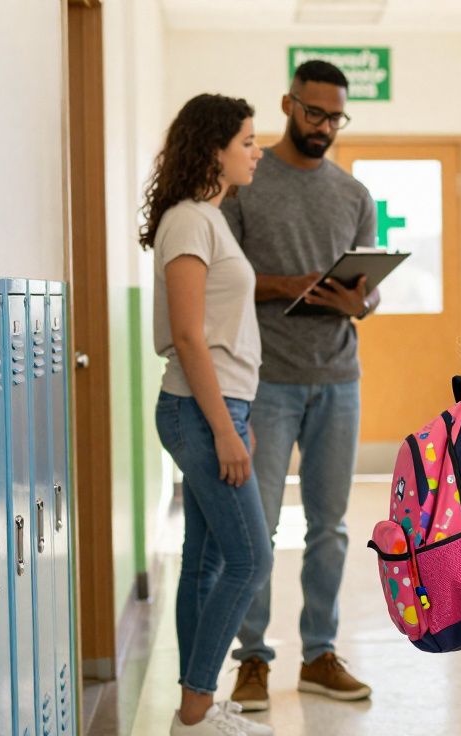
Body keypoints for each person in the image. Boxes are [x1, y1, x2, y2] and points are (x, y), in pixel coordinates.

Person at [222, 60, 376, 710]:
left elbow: (368, 296)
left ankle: (319, 653)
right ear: (288, 104)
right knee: (257, 526)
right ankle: (252, 659)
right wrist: (283, 285)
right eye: (315, 114)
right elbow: (221, 279)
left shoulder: (352, 194)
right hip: (268, 380)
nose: (325, 127)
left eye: (336, 118)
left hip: (338, 378)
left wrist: (354, 303)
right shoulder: (249, 184)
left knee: (330, 526)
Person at [143, 93, 274, 736]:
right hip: (200, 410)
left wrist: (233, 415)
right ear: (214, 148)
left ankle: (196, 710)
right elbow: (190, 337)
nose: (256, 151)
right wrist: (225, 428)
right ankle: (195, 714)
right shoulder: (190, 221)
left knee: (207, 559)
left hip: (216, 405)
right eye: (247, 140)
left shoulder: (208, 218)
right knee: (251, 558)